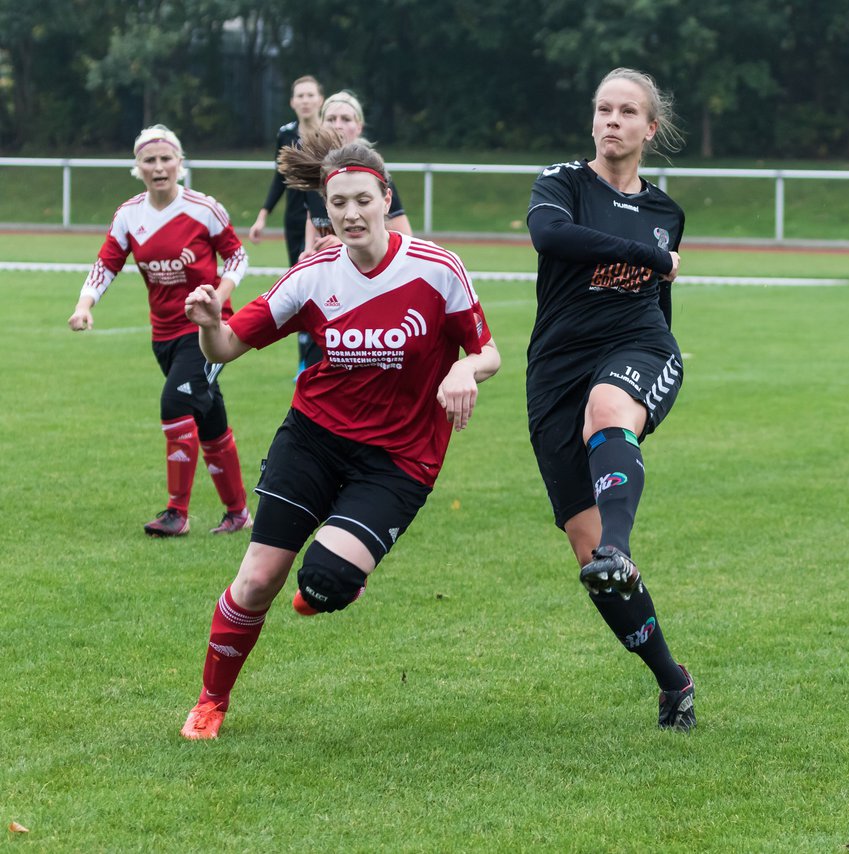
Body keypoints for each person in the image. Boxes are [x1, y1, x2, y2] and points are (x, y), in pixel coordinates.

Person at [178, 133, 499, 739]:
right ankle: (210, 702)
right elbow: (225, 347)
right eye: (337, 204)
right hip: (315, 440)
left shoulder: (438, 269)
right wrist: (209, 322)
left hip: (399, 458)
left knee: (322, 583)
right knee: (256, 580)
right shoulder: (312, 274)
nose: (350, 214)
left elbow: (489, 353)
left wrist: (463, 368)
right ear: (325, 208)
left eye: (362, 200)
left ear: (385, 197)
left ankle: (333, 581)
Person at [524, 68, 695, 730]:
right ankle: (673, 681)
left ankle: (617, 546)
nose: (612, 120)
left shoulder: (665, 212)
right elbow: (551, 238)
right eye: (603, 109)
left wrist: (662, 365)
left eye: (627, 111)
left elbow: (660, 299)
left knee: (608, 408)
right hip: (555, 373)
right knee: (588, 553)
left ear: (649, 129)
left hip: (639, 349)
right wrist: (648, 258)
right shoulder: (560, 184)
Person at [68, 124, 252, 538]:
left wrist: (218, 297)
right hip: (163, 336)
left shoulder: (204, 208)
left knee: (175, 403)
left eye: (166, 158)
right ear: (138, 167)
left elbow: (237, 257)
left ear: (180, 164)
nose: (158, 166)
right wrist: (84, 305)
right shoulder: (130, 215)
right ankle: (238, 513)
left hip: (207, 332)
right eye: (149, 160)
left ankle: (177, 513)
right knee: (209, 421)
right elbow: (107, 264)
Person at [246, 74, 324, 375]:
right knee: (301, 287)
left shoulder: (331, 133)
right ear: (292, 102)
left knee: (326, 284)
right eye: (299, 96)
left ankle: (328, 354)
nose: (304, 100)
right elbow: (279, 177)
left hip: (325, 220)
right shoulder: (286, 134)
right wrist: (263, 214)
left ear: (320, 99)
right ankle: (305, 358)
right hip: (294, 221)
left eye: (310, 95)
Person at [299, 90, 412, 263]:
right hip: (325, 273)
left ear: (359, 126)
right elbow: (313, 217)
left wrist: (346, 245)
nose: (337, 125)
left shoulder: (374, 177)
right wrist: (308, 250)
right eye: (331, 119)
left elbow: (405, 237)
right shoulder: (315, 173)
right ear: (321, 125)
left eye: (346, 119)